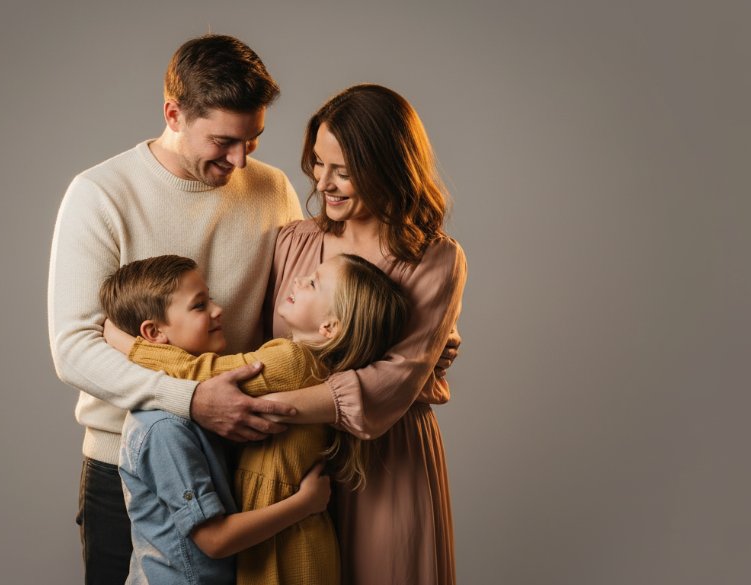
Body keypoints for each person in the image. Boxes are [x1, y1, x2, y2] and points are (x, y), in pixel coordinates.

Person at [47, 34, 303, 585]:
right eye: (223, 141)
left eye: (252, 141)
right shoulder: (100, 194)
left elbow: (305, 305)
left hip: (249, 460)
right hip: (128, 466)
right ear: (173, 114)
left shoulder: (273, 189)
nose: (238, 160)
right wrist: (192, 400)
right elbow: (74, 349)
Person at [260, 84, 468, 584]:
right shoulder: (293, 242)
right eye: (318, 163)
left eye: (344, 171)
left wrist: (264, 407)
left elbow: (392, 381)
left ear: (387, 168)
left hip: (386, 468)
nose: (323, 183)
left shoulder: (435, 258)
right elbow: (261, 352)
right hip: (292, 463)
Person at [102, 252, 410, 585]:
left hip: (289, 550)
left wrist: (125, 343)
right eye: (200, 305)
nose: (298, 280)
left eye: (313, 283)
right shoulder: (301, 365)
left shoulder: (292, 361)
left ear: (329, 327)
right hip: (273, 540)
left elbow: (199, 373)